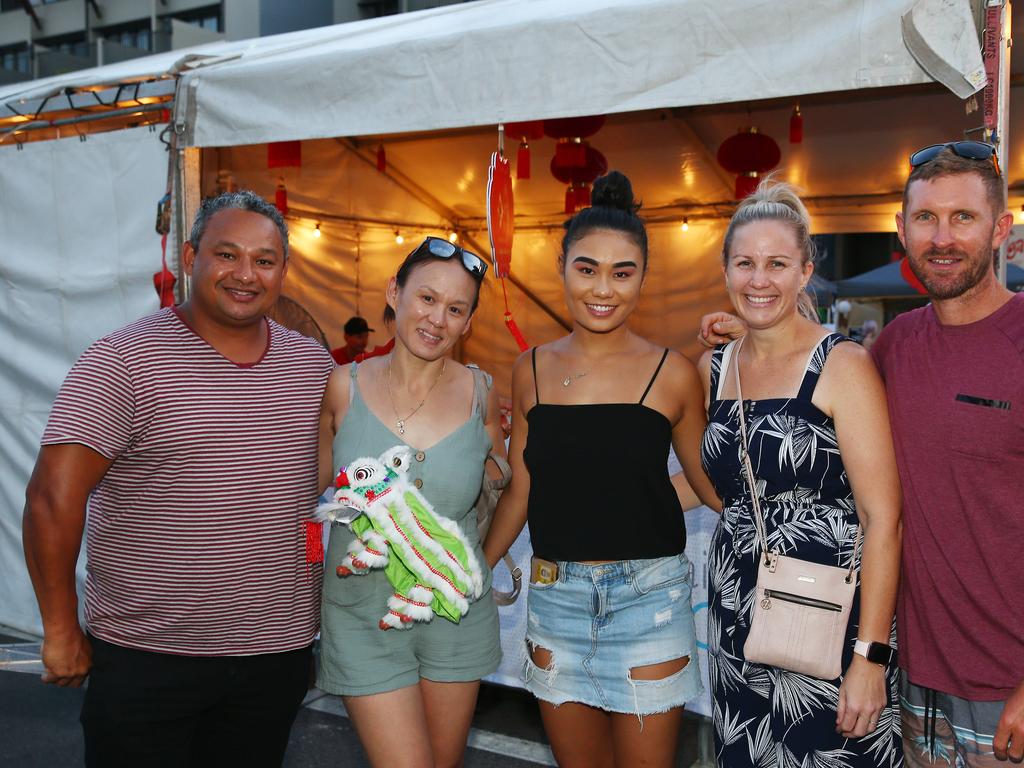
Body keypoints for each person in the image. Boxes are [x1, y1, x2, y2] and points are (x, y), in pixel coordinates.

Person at [700, 143, 1024, 766]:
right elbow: (801, 406)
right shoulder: (895, 346)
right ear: (901, 231)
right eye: (926, 219)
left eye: (963, 217)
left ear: (1001, 229)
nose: (942, 238)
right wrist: (755, 328)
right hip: (914, 673)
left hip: (1002, 675)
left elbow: (881, 515)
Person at [22, 190, 335, 767]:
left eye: (264, 261)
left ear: (284, 272)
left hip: (274, 657)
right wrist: (61, 629)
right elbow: (51, 499)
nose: (246, 274)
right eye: (227, 254)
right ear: (189, 258)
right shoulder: (123, 360)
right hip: (148, 658)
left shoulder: (313, 367)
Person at [483, 171, 720, 768]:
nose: (603, 289)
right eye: (587, 268)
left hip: (651, 602)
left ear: (644, 275)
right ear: (561, 266)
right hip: (555, 600)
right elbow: (522, 491)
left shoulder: (673, 373)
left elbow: (712, 483)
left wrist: (758, 358)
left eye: (623, 272)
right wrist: (466, 571)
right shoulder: (529, 368)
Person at [698, 180, 903, 767]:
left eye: (777, 264)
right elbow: (722, 485)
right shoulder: (715, 366)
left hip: (830, 628)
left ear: (805, 270)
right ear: (726, 269)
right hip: (739, 619)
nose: (758, 280)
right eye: (745, 263)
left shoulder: (842, 365)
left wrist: (871, 656)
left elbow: (882, 518)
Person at [316, 236, 505, 768]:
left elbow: (507, 487)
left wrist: (477, 563)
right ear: (394, 292)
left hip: (455, 619)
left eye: (455, 309)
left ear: (468, 323)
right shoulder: (342, 387)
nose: (437, 319)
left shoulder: (482, 394)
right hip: (361, 616)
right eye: (426, 298)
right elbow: (308, 487)